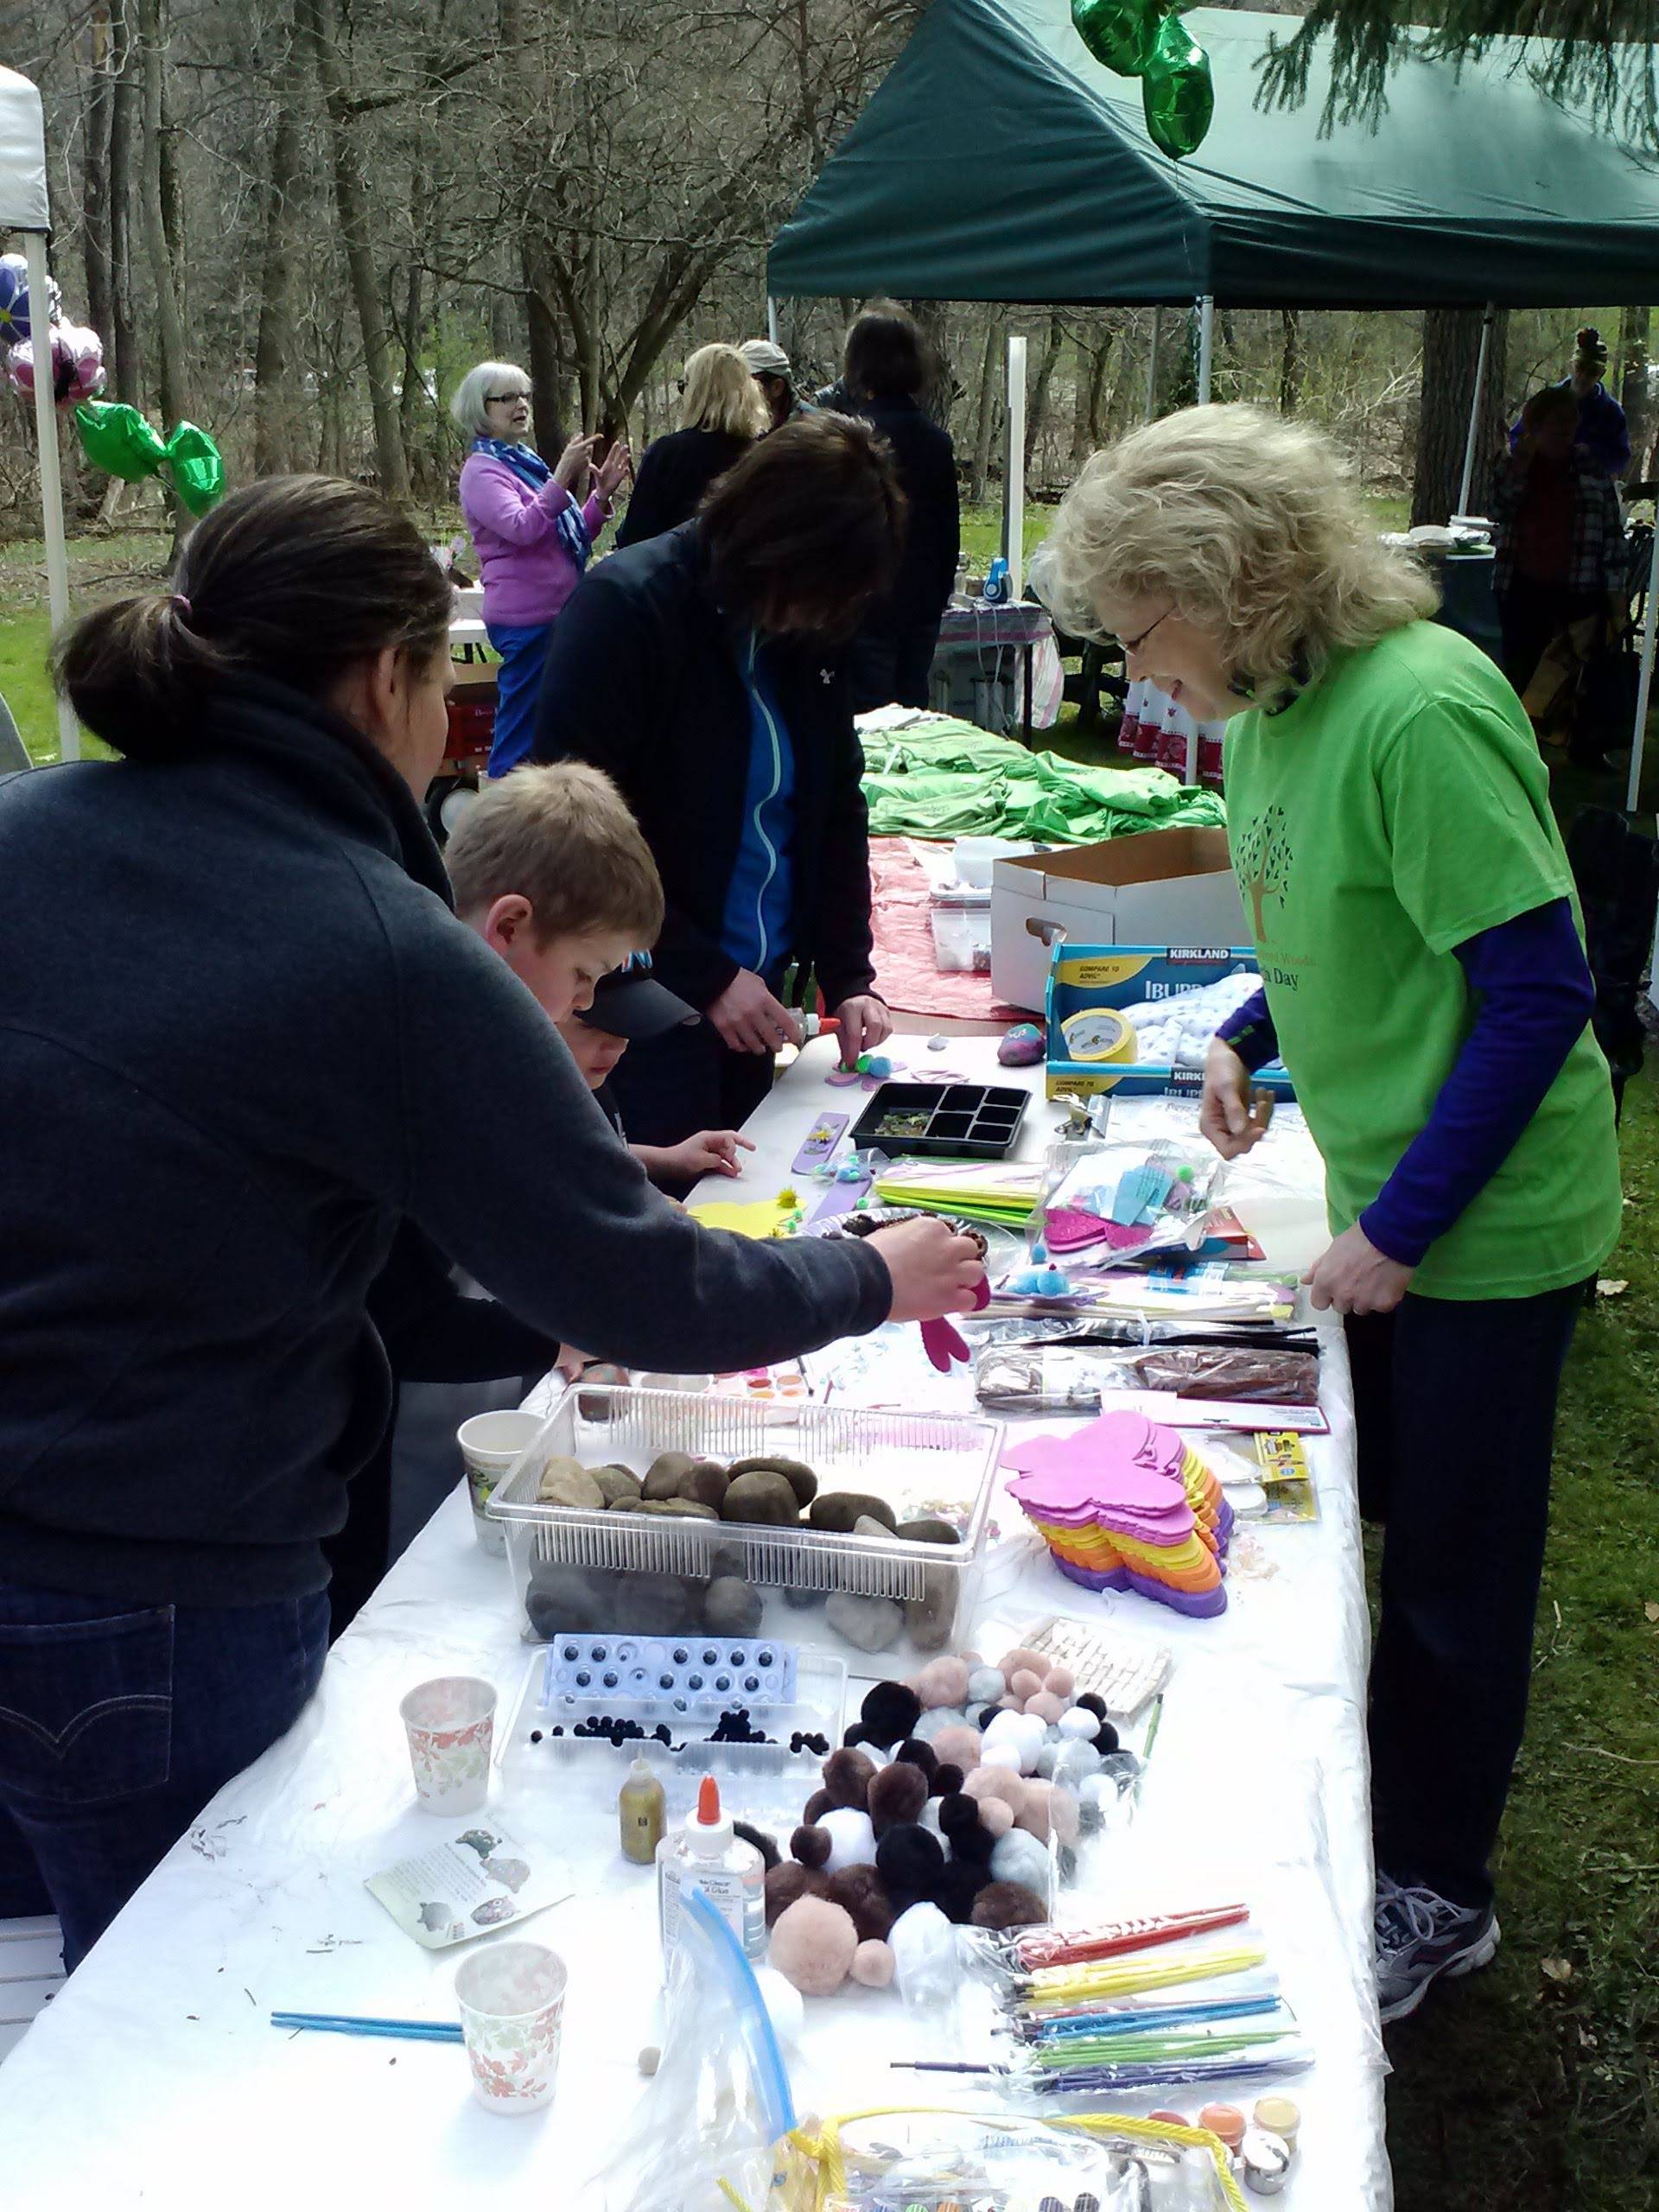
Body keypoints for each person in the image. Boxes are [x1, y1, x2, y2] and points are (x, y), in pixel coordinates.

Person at [0, 474, 984, 1968]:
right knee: (168, 2007)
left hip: (58, 1539)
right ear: (393, 679)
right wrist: (869, 1272)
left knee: (83, 1985)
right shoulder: (378, 940)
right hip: (161, 1580)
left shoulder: (30, 833)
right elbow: (643, 1291)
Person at [1036, 404, 1622, 2027]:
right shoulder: (1281, 711)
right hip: (1396, 1193)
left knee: (1453, 1574)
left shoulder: (1417, 710)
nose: (1145, 676)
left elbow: (1533, 993)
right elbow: (1335, 916)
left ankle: (1441, 1894)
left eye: (1147, 633)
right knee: (1378, 1535)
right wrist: (1246, 1029)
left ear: (1235, 578)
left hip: (1489, 1227)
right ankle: (1380, 1820)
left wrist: (1407, 1229)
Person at [326, 761, 673, 1636]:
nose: (588, 1005)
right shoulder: (413, 1058)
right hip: (329, 1460)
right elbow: (400, 1322)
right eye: (586, 978)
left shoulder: (438, 1028)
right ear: (510, 927)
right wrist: (570, 1323)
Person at [533, 412, 900, 1159]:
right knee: (670, 1212)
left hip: (755, 999)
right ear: (771, 543)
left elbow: (834, 810)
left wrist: (849, 974)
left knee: (757, 1192)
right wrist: (702, 974)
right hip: (640, 1003)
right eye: (819, 592)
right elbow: (573, 838)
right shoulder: (628, 611)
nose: (824, 617)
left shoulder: (803, 639)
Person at [451, 360, 631, 779]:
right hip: (527, 620)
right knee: (519, 735)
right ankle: (501, 825)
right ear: (482, 409)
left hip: (561, 614)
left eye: (524, 396)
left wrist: (600, 498)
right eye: (507, 398)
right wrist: (564, 476)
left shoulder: (522, 462)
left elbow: (567, 538)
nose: (521, 405)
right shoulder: (481, 471)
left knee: (560, 729)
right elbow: (523, 527)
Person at [836, 303, 959, 713]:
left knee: (867, 720)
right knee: (913, 714)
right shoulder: (935, 441)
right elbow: (947, 534)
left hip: (864, 604)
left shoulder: (853, 438)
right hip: (920, 604)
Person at [1491, 385, 1626, 706]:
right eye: (1556, 424)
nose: (1565, 431)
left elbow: (1612, 532)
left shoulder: (1590, 467)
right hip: (1523, 589)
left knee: (1573, 680)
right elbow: (1499, 511)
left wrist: (1616, 595)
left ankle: (1570, 746)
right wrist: (1520, 469)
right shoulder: (1513, 466)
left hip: (1579, 589)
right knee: (1522, 675)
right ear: (1535, 428)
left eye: (1570, 423)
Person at [615, 343, 766, 549]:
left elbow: (635, 538)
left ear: (696, 393)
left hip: (674, 576)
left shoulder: (669, 454)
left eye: (683, 387)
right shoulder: (763, 458)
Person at [1509, 325, 1630, 479]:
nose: (1584, 376)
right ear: (1571, 365)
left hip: (1588, 488)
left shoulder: (1611, 413)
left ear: (1601, 374)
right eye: (1581, 367)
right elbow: (1517, 439)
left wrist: (1592, 453)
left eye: (1592, 371)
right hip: (1544, 482)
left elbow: (1620, 459)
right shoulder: (1546, 401)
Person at [739, 338, 810, 430]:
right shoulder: (738, 426)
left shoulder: (811, 431)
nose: (737, 391)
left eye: (744, 383)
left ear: (776, 387)